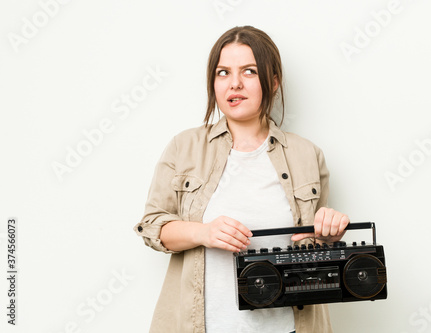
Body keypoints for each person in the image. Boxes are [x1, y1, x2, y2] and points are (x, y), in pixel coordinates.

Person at [134, 26, 350, 333]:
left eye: (249, 71)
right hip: (206, 326)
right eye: (223, 72)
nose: (234, 83)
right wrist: (204, 232)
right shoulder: (185, 147)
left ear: (273, 81)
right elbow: (153, 227)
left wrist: (328, 236)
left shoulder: (307, 154)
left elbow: (314, 246)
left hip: (290, 326)